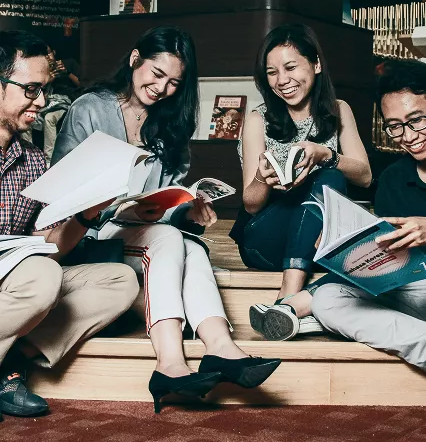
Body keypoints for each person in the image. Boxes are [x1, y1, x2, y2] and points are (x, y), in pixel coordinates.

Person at [52, 26, 281, 413]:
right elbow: (63, 192)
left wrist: (185, 208)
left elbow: (165, 198)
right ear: (134, 60)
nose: (163, 88)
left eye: (174, 82)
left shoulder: (172, 122)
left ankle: (221, 346)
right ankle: (169, 360)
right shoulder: (90, 108)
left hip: (142, 230)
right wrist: (123, 210)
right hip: (87, 230)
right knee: (169, 241)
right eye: (156, 75)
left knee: (187, 241)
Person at [0, 30, 139, 422]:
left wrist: (87, 213)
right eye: (30, 89)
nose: (41, 102)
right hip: (18, 282)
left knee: (120, 282)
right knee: (41, 274)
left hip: (16, 281)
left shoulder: (31, 161)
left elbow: (50, 246)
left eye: (44, 89)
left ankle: (10, 357)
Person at [229, 23, 372, 341]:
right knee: (328, 177)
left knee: (330, 173)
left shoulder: (338, 111)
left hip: (317, 240)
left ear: (316, 64)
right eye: (271, 72)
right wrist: (262, 179)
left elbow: (364, 175)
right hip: (264, 242)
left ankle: (284, 306)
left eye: (290, 66)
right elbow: (251, 205)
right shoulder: (258, 119)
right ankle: (288, 300)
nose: (282, 80)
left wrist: (325, 154)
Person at [309, 58, 426, 372]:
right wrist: (346, 249)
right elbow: (393, 263)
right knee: (327, 300)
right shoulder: (392, 179)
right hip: (415, 291)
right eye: (395, 126)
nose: (409, 134)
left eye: (417, 120)